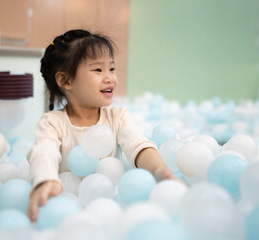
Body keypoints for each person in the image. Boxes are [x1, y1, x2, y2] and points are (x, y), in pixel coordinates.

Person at [27, 29, 180, 222]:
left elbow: (139, 146)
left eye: (112, 68)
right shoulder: (51, 123)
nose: (110, 78)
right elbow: (43, 153)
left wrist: (159, 170)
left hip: (108, 207)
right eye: (98, 70)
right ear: (65, 80)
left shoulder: (118, 117)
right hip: (67, 211)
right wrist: (45, 181)